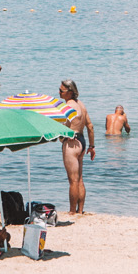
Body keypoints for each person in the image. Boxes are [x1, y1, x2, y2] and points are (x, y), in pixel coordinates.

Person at [56, 79, 95, 214]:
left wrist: (60, 137)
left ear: (70, 92)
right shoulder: (82, 105)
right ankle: (80, 211)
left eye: (62, 91)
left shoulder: (67, 106)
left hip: (71, 143)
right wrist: (91, 146)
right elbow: (90, 126)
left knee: (73, 180)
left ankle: (72, 211)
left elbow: (63, 127)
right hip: (82, 141)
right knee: (79, 178)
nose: (59, 92)